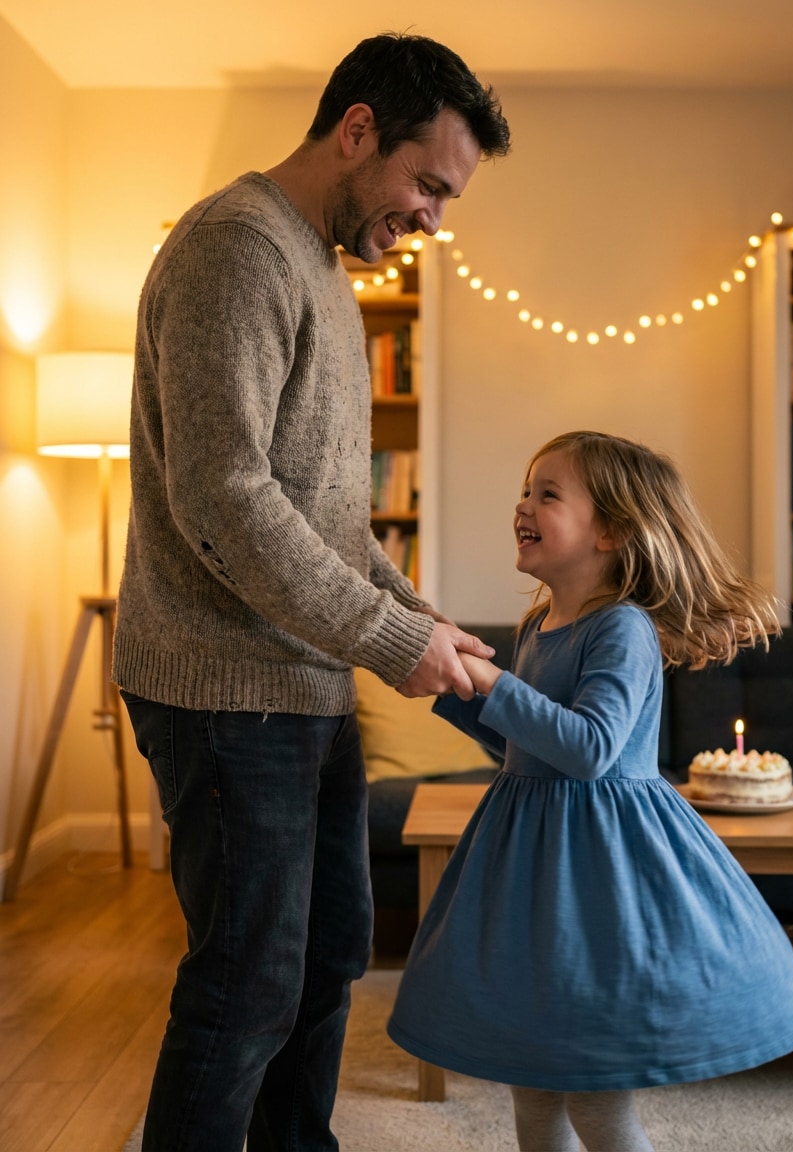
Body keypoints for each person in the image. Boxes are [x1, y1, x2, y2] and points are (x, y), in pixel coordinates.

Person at [113, 32, 510, 1152]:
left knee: (330, 954)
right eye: (429, 184)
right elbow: (226, 497)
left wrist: (416, 619)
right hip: (223, 689)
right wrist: (387, 636)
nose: (433, 218)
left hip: (304, 682)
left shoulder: (327, 274)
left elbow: (326, 521)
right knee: (246, 986)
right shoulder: (236, 249)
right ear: (357, 130)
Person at [388, 431, 793, 1152]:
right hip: (531, 865)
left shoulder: (623, 627)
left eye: (548, 494)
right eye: (525, 491)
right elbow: (527, 745)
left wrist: (494, 681)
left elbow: (590, 749)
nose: (523, 506)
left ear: (612, 531)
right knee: (533, 1086)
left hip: (601, 872)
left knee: (596, 1099)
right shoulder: (538, 625)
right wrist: (460, 687)